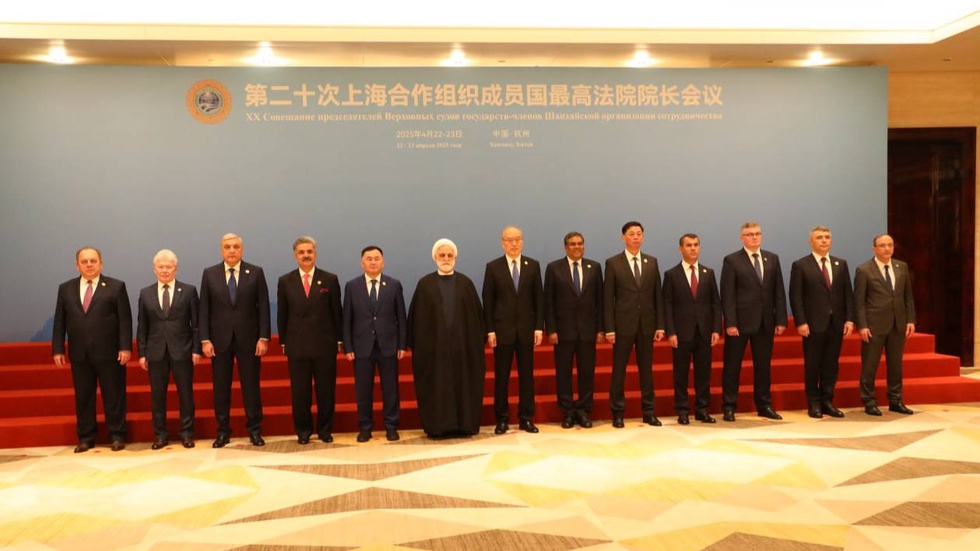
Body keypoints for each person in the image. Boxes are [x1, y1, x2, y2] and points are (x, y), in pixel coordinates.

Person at [52, 246, 132, 453]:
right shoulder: (66, 288)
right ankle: (86, 438)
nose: (89, 264)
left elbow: (125, 320)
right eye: (84, 261)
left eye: (93, 261)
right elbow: (60, 321)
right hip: (80, 353)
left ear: (101, 264)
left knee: (114, 396)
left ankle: (117, 435)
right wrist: (58, 348)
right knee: (84, 397)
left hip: (110, 353)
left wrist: (125, 347)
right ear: (77, 265)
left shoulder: (116, 286)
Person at [408, 239, 486, 438]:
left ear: (455, 258)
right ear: (435, 258)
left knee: (463, 386)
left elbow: (477, 320)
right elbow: (417, 320)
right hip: (435, 352)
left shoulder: (466, 284)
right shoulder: (425, 285)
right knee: (437, 387)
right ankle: (438, 427)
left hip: (462, 351)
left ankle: (464, 425)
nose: (446, 259)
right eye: (442, 255)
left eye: (449, 255)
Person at [199, 233, 271, 447]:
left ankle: (255, 430)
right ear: (221, 250)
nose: (232, 250)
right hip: (219, 341)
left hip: (249, 340)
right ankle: (223, 431)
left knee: (251, 387)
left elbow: (263, 306)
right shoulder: (209, 274)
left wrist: (263, 337)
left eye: (236, 247)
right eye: (227, 247)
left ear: (242, 249)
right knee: (221, 388)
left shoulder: (255, 272)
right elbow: (204, 309)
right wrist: (205, 339)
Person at [277, 236, 343, 444]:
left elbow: (336, 312)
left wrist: (339, 339)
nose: (306, 255)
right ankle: (303, 431)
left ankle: (325, 430)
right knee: (300, 393)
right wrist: (284, 341)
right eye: (301, 252)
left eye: (309, 251)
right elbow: (282, 313)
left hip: (325, 345)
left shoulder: (330, 279)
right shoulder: (285, 281)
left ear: (315, 253)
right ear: (295, 255)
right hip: (297, 346)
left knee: (326, 391)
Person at [720, 221, 788, 421]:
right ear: (742, 238)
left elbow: (778, 291)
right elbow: (728, 294)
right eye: (749, 234)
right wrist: (730, 322)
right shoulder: (732, 260)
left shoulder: (772, 258)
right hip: (739, 323)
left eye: (757, 233)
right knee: (732, 366)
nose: (754, 237)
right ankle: (729, 406)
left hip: (765, 322)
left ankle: (764, 405)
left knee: (763, 366)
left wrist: (781, 319)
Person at [136, 249, 201, 449]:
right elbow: (142, 326)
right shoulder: (145, 293)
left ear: (176, 269)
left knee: (185, 394)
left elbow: (196, 324)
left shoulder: (188, 291)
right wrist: (142, 353)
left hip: (183, 350)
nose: (165, 270)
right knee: (157, 396)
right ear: (154, 269)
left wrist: (196, 349)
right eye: (161, 267)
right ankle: (160, 435)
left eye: (169, 267)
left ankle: (187, 433)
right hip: (155, 352)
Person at [483, 226, 544, 434]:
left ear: (522, 241)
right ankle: (502, 419)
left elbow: (539, 298)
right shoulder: (493, 267)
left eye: (518, 239)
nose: (514, 243)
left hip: (526, 330)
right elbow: (488, 300)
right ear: (503, 243)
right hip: (502, 331)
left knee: (527, 376)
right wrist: (490, 330)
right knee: (502, 377)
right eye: (510, 240)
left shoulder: (533, 266)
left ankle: (526, 418)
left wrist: (538, 327)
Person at [788, 226, 855, 419]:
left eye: (827, 237)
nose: (824, 240)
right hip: (813, 325)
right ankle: (814, 403)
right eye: (819, 237)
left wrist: (850, 319)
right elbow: (796, 296)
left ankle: (827, 402)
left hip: (836, 324)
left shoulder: (840, 264)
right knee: (813, 365)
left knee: (831, 365)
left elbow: (847, 294)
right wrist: (801, 322)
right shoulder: (801, 265)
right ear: (811, 242)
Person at [604, 221, 665, 428]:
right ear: (623, 237)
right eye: (631, 234)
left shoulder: (651, 262)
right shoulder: (613, 263)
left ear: (643, 237)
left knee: (646, 370)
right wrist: (609, 328)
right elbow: (608, 298)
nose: (636, 237)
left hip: (647, 325)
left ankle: (649, 412)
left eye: (639, 233)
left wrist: (660, 325)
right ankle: (618, 413)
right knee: (619, 370)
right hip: (622, 325)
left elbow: (658, 295)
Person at [343, 246, 407, 443]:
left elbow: (401, 317)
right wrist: (348, 346)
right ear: (362, 263)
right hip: (362, 346)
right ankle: (365, 427)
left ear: (383, 262)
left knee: (390, 389)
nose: (373, 262)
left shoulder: (394, 285)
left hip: (388, 345)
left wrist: (402, 344)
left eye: (376, 258)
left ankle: (391, 427)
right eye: (369, 259)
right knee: (363, 391)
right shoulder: (352, 286)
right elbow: (347, 319)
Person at [543, 231, 603, 429]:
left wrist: (600, 329)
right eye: (572, 244)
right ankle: (567, 412)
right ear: (565, 247)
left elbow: (600, 300)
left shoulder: (594, 267)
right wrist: (551, 329)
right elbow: (548, 301)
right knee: (564, 374)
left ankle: (584, 411)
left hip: (587, 331)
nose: (577, 247)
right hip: (563, 331)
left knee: (587, 373)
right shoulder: (554, 268)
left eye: (580, 243)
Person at [663, 234, 722, 425]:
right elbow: (667, 305)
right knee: (680, 374)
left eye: (696, 245)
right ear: (681, 249)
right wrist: (671, 332)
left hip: (704, 332)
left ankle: (702, 410)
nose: (693, 248)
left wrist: (716, 329)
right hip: (681, 333)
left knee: (703, 373)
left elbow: (715, 303)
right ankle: (682, 410)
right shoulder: (671, 274)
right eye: (689, 245)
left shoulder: (708, 273)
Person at [854, 234, 916, 416]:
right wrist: (862, 325)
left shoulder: (901, 267)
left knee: (896, 365)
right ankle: (869, 401)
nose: (887, 248)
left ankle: (896, 400)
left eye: (890, 245)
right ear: (874, 249)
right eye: (882, 245)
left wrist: (910, 319)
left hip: (898, 324)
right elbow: (859, 301)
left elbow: (908, 297)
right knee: (870, 365)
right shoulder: (864, 270)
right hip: (873, 326)